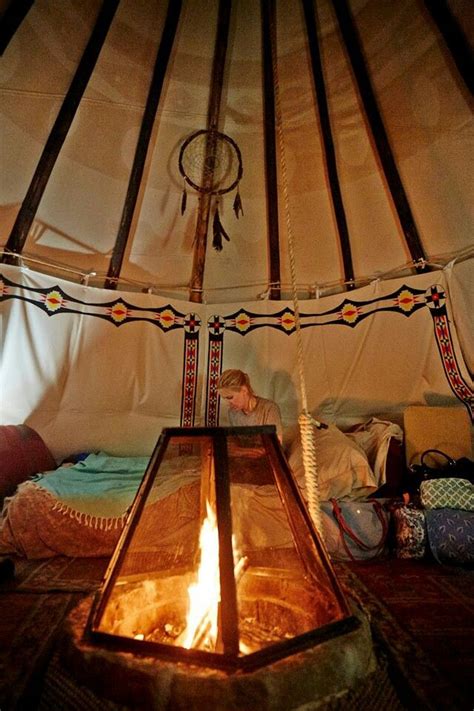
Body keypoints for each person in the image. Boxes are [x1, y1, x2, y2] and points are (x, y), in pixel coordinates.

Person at [217, 369, 283, 443]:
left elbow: (276, 445)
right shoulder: (232, 413)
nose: (227, 403)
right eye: (224, 398)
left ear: (244, 390)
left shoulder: (269, 409)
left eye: (230, 397)